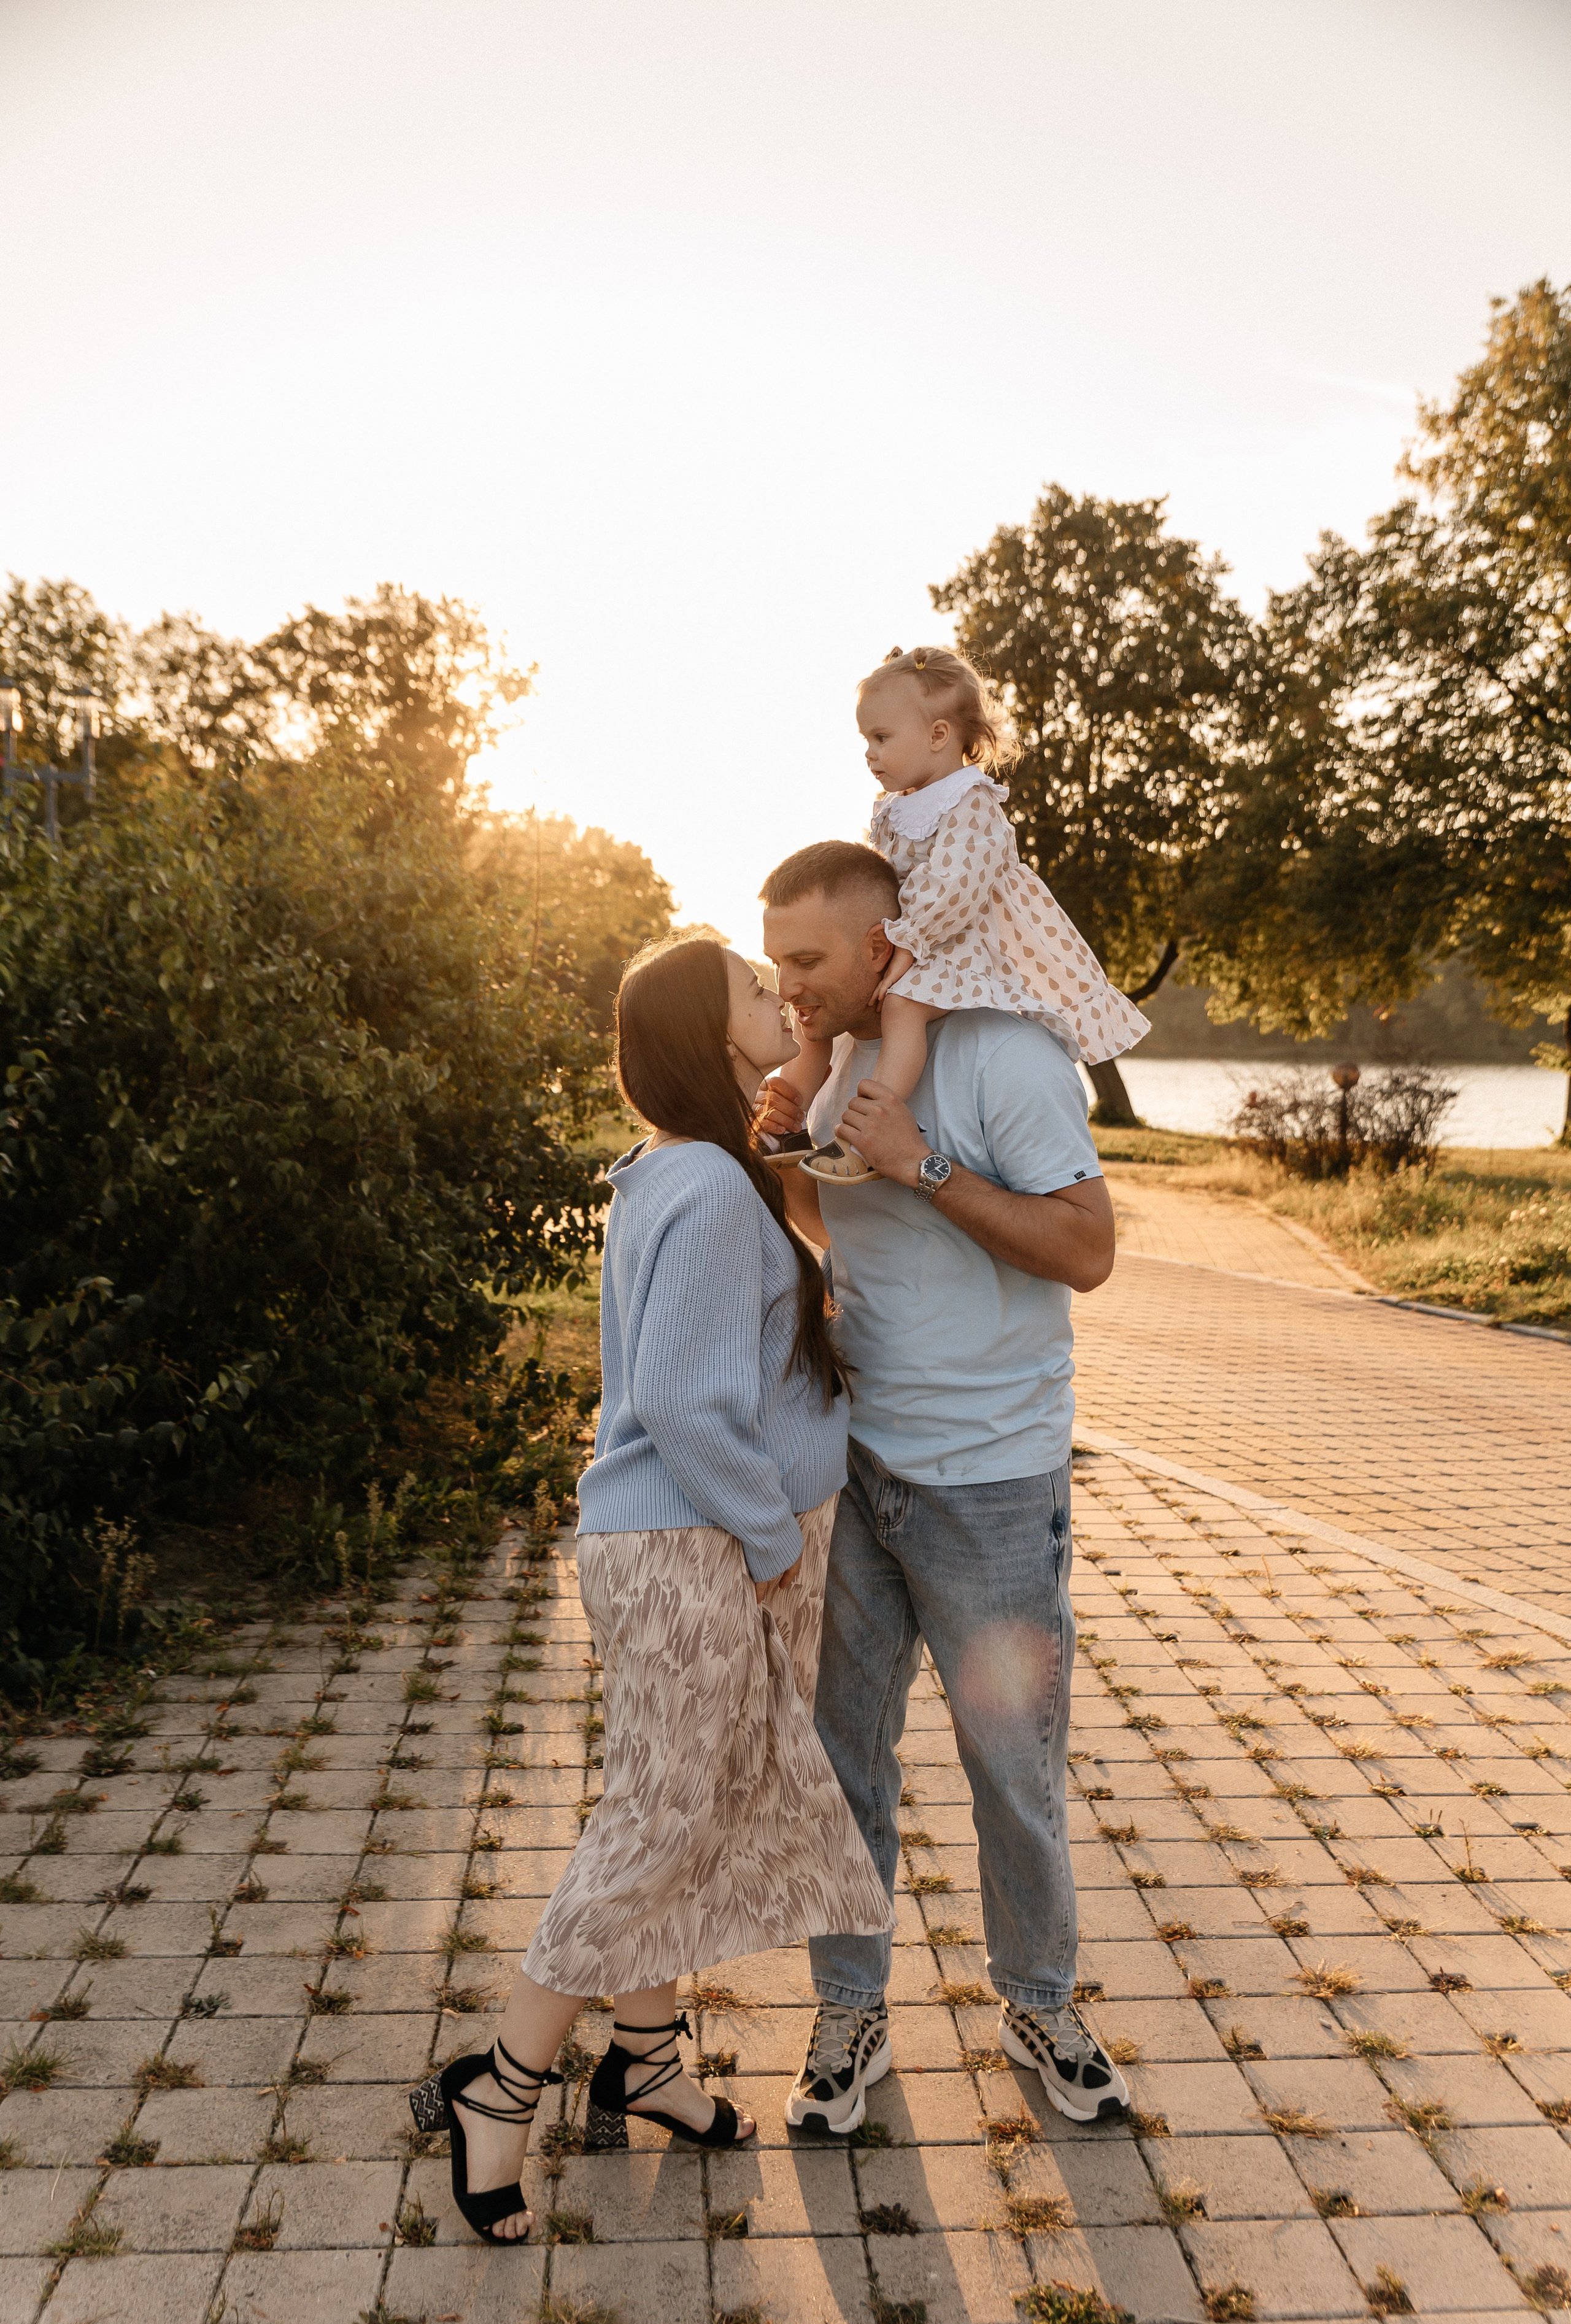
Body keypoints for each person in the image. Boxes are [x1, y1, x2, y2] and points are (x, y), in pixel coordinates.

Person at [410, 932, 892, 2241]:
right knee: (658, 1820)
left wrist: (805, 1067)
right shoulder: (711, 1194)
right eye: (751, 987)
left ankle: (651, 2065)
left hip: (689, 1542)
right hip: (696, 1540)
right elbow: (681, 1400)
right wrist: (770, 1535)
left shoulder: (692, 1173)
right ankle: (501, 2093)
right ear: (701, 1034)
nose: (776, 998)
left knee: (684, 1805)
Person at [757, 840, 1131, 2134]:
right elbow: (834, 1230)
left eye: (807, 960)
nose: (785, 984)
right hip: (857, 1466)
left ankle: (1037, 1999)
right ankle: (846, 2013)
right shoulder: (832, 1064)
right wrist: (783, 1161)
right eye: (775, 959)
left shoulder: (1005, 1056)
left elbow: (1085, 1249)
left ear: (881, 948)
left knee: (1007, 1767)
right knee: (840, 1762)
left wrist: (924, 1161)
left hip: (987, 1485)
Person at [792, 646, 1146, 1184]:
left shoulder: (970, 801)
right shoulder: (898, 805)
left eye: (882, 738)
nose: (869, 753)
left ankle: (866, 1137)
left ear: (938, 736)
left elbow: (956, 885)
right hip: (915, 934)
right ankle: (791, 1107)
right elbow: (883, 880)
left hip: (959, 939)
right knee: (834, 995)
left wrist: (906, 943)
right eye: (866, 740)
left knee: (905, 1003)